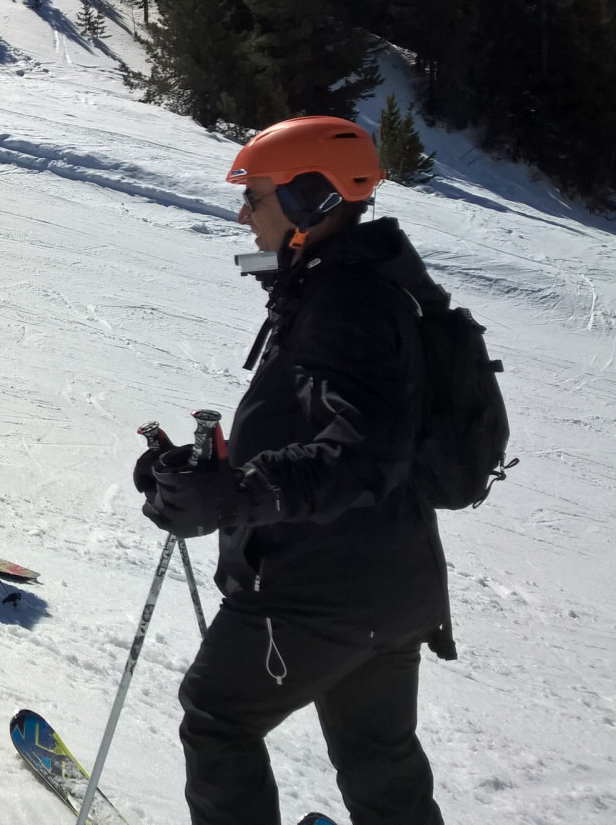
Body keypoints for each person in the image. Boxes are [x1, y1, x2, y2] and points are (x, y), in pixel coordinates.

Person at [138, 116, 450, 825]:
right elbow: (320, 428)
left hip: (319, 588)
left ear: (312, 196)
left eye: (256, 196)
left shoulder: (348, 302)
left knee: (216, 717)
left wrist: (236, 493)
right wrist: (199, 473)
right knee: (380, 762)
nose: (243, 213)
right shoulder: (350, 286)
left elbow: (362, 451)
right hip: (389, 584)